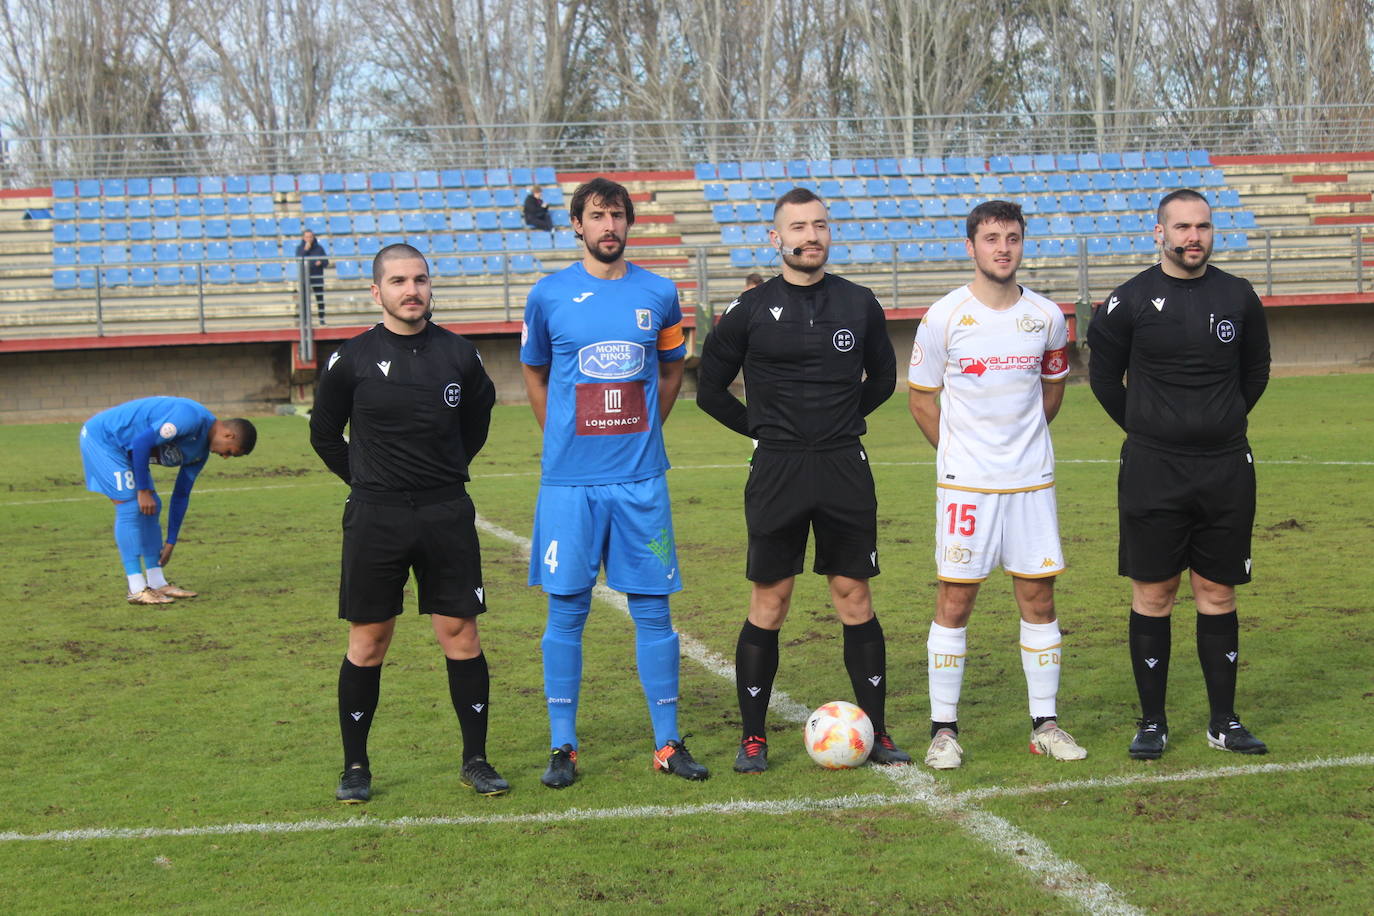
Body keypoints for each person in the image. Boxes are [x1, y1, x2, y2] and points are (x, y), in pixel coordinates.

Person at [696, 187, 910, 774]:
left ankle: (878, 730)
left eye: (818, 225)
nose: (809, 236)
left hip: (843, 464)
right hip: (778, 469)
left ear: (828, 233)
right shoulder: (747, 310)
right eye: (797, 227)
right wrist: (763, 431)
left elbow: (884, 379)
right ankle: (753, 738)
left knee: (854, 596)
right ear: (776, 238)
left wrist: (840, 423)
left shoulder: (859, 303)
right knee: (771, 600)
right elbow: (709, 391)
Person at [521, 176, 708, 788]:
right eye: (598, 216)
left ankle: (667, 743)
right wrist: (565, 443)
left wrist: (643, 433)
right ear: (577, 225)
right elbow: (537, 377)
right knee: (567, 611)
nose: (609, 226)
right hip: (570, 486)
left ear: (630, 224)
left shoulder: (659, 293)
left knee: (654, 611)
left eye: (618, 216)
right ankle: (563, 747)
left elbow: (673, 368)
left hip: (640, 483)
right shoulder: (548, 296)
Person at [310, 243, 508, 802]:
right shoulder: (349, 359)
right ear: (377, 292)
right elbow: (324, 435)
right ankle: (355, 767)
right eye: (398, 280)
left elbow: (477, 421)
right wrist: (369, 481)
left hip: (446, 512)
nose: (411, 290)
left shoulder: (460, 355)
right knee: (369, 640)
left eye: (419, 279)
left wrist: (446, 473)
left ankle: (476, 760)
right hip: (376, 516)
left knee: (460, 634)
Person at [1087, 188, 1271, 759]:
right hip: (1152, 470)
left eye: (1204, 227)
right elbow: (1102, 382)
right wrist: (1152, 429)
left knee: (1218, 591)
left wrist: (1217, 423)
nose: (1194, 237)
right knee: (1155, 592)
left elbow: (1256, 373)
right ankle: (1153, 723)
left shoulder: (1238, 297)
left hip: (1225, 469)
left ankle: (1224, 721)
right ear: (1159, 233)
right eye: (1183, 227)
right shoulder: (1128, 301)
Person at [907, 200, 1086, 770]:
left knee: (1039, 598)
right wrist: (964, 455)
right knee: (954, 602)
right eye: (991, 238)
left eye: (1012, 237)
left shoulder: (1048, 317)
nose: (1002, 247)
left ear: (1022, 243)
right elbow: (920, 399)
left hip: (1031, 483)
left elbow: (1052, 391)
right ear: (971, 246)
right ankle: (943, 731)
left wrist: (1019, 447)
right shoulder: (943, 318)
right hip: (967, 489)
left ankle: (1045, 724)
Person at [80, 397, 256, 605]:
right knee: (130, 506)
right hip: (104, 439)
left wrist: (171, 540)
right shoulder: (189, 418)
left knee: (153, 508)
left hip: (129, 451)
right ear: (229, 434)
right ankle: (136, 588)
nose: (225, 457)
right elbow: (141, 443)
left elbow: (181, 494)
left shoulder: (200, 454)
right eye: (229, 452)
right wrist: (143, 490)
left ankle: (156, 581)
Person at [295, 229, 329, 324]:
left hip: (317, 277)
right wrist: (305, 250)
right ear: (303, 238)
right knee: (305, 299)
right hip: (305, 277)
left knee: (319, 299)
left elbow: (326, 262)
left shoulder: (319, 248)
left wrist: (321, 262)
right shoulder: (300, 248)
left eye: (310, 237)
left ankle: (321, 319)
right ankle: (305, 321)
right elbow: (298, 259)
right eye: (307, 237)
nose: (309, 239)